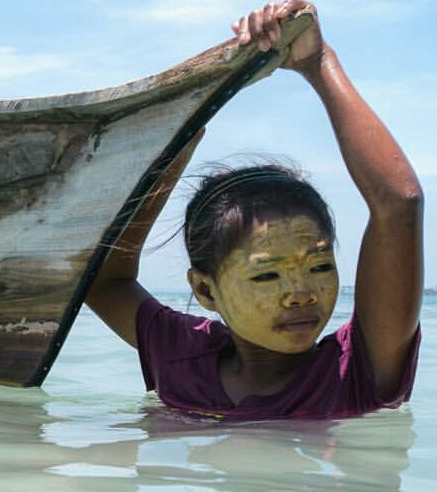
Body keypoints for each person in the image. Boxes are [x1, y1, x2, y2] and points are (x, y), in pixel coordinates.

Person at [84, 1, 423, 421]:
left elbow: (399, 204)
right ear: (206, 291)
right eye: (267, 274)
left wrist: (317, 63)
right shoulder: (180, 356)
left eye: (319, 266)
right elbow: (103, 282)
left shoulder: (354, 372)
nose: (303, 292)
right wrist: (171, 153)